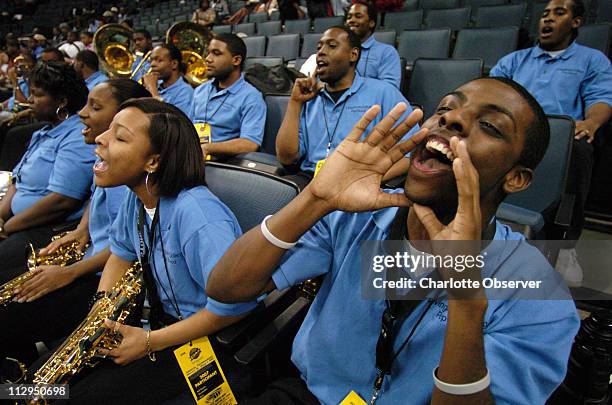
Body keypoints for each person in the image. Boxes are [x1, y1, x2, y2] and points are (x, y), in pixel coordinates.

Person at [207, 77, 581, 404]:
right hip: (308, 395)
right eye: (444, 109)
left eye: (490, 125)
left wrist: (465, 302)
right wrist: (314, 198)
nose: (450, 118)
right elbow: (226, 287)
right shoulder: (354, 218)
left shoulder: (539, 295)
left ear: (516, 179)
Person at [33, 99, 257, 403]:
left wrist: (150, 341)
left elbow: (235, 307)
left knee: (76, 397)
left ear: (153, 162)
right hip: (157, 324)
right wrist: (101, 315)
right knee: (35, 384)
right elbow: (121, 253)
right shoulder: (138, 196)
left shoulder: (200, 216)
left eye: (120, 137)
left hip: (203, 340)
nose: (100, 138)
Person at [0, 79, 151, 374]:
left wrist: (70, 273)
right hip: (91, 268)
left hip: (105, 280)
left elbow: (131, 250)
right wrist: (81, 231)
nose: (81, 113)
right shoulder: (107, 162)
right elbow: (94, 201)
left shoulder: (131, 175)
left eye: (94, 107)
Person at [490, 0, 612, 286]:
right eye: (544, 14)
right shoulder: (515, 60)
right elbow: (492, 93)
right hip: (517, 132)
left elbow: (601, 100)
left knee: (580, 148)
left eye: (559, 13)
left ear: (576, 22)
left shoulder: (591, 60)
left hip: (562, 137)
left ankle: (564, 248)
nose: (547, 20)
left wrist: (591, 123)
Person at [279, 26, 417, 187]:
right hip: (310, 180)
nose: (321, 52)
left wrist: (365, 178)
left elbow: (411, 154)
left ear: (353, 54)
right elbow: (286, 158)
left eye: (331, 46)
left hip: (358, 184)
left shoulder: (384, 93)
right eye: (319, 47)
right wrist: (295, 102)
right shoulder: (309, 99)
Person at [0, 62, 94, 281]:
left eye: (38, 95)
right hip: (16, 222)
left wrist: (10, 227)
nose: (30, 100)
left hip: (46, 228)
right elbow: (18, 182)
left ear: (62, 101)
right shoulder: (43, 133)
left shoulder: (77, 137)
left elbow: (62, 200)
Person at [189, 33, 265, 158]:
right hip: (193, 157)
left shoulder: (252, 97)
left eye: (216, 53)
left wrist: (208, 148)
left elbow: (250, 143)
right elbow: (189, 127)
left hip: (223, 163)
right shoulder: (200, 90)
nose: (208, 58)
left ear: (236, 60)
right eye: (208, 53)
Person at [301, 2, 401, 88]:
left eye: (358, 16)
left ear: (371, 23)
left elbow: (390, 88)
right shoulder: (335, 51)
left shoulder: (387, 52)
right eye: (349, 17)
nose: (351, 20)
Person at [141, 43, 194, 115]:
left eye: (159, 60)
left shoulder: (185, 92)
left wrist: (153, 89)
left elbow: (174, 123)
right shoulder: (157, 84)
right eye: (151, 60)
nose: (152, 64)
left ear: (174, 64)